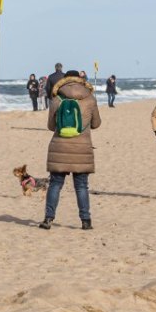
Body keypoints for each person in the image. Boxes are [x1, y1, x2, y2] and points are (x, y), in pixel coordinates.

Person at [40, 71, 102, 230]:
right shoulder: (90, 99)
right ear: (81, 81)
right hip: (82, 149)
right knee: (81, 186)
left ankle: (48, 219)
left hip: (59, 147)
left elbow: (51, 126)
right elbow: (96, 124)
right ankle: (86, 221)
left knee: (55, 184)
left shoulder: (57, 99)